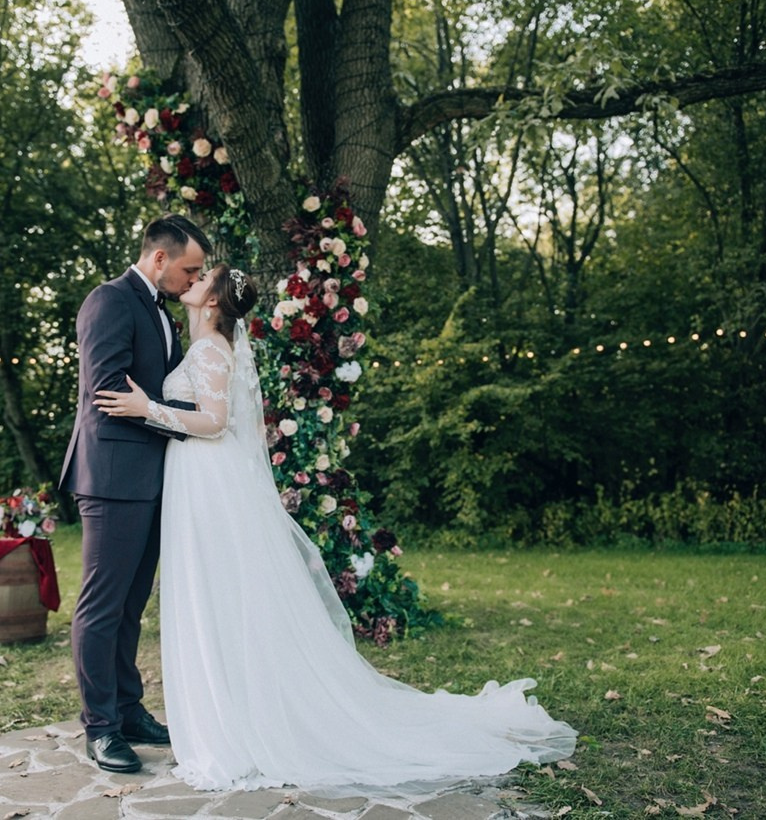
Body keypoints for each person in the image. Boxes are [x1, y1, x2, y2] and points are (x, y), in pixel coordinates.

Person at [94, 264, 578, 791]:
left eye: (203, 276)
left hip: (207, 478)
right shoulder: (206, 342)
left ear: (212, 303)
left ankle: (232, 724)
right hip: (199, 479)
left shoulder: (211, 348)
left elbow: (214, 422)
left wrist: (149, 408)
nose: (194, 278)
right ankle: (225, 710)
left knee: (217, 593)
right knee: (214, 593)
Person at [58, 213, 211, 774]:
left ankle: (128, 709)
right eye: (190, 270)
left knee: (131, 604)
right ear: (159, 259)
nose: (194, 281)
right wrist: (170, 419)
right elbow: (107, 387)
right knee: (101, 605)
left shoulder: (161, 310)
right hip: (114, 475)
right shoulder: (109, 300)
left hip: (152, 477)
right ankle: (99, 728)